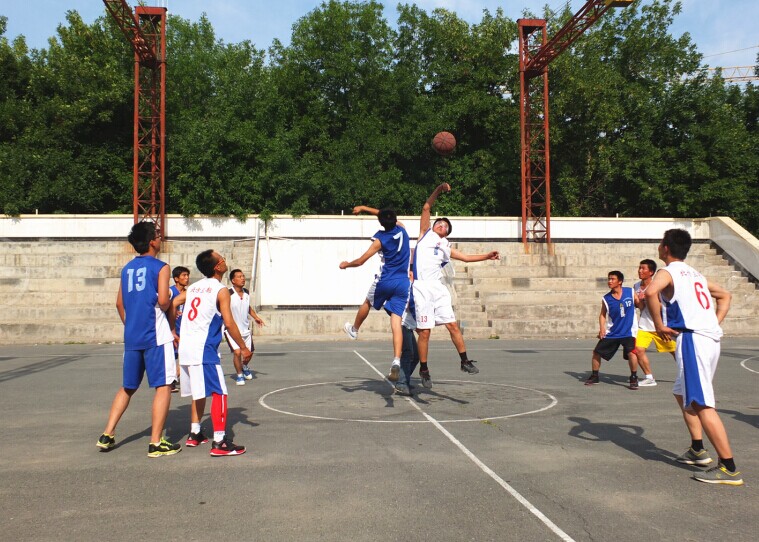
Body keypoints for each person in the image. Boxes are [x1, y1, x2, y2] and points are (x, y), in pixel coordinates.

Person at [645, 228, 743, 485]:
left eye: (661, 242)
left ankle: (728, 467)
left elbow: (650, 292)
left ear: (666, 248)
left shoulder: (668, 272)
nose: (659, 246)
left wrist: (659, 324)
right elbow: (725, 295)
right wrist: (712, 323)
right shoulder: (695, 274)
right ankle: (697, 448)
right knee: (681, 391)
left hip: (693, 340)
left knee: (701, 402)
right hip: (707, 339)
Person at [96, 221, 181, 458]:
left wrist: (131, 324)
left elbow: (119, 303)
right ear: (152, 241)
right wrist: (170, 303)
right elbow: (163, 301)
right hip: (156, 335)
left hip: (132, 336)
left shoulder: (127, 269)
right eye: (157, 235)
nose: (160, 237)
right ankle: (156, 442)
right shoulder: (161, 267)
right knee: (164, 386)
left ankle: (107, 433)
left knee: (128, 386)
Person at [412, 183, 500, 389]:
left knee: (452, 325)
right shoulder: (425, 233)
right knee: (425, 332)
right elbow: (426, 207)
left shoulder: (446, 246)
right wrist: (438, 189)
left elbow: (466, 258)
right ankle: (424, 369)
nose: (441, 225)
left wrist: (487, 256)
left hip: (438, 288)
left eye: (445, 225)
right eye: (439, 223)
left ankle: (464, 361)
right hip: (422, 288)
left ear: (447, 232)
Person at [173, 250, 252, 457]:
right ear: (217, 267)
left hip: (187, 347)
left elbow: (172, 303)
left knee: (198, 392)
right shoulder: (220, 290)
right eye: (222, 259)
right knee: (220, 392)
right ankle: (219, 442)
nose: (225, 260)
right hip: (203, 348)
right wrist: (243, 347)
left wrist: (172, 329)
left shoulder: (194, 287)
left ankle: (195, 432)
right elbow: (229, 323)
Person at [340, 207, 411, 382]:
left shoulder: (380, 239)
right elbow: (383, 214)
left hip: (385, 281)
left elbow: (361, 261)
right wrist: (365, 208)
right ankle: (396, 359)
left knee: (367, 302)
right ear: (395, 219)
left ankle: (354, 330)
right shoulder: (402, 229)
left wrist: (346, 264)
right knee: (396, 322)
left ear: (381, 223)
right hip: (403, 283)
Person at [584, 271, 640, 390]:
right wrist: (602, 329)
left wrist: (643, 300)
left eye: (612, 279)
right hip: (613, 332)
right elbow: (602, 314)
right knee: (596, 353)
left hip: (629, 332)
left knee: (632, 352)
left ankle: (633, 377)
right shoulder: (606, 298)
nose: (609, 281)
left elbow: (639, 304)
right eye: (609, 279)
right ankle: (595, 375)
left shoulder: (630, 292)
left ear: (620, 281)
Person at [633, 259, 675, 387]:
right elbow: (640, 307)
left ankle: (687, 374)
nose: (640, 271)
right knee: (638, 350)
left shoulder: (658, 286)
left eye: (643, 268)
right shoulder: (636, 286)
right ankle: (649, 377)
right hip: (644, 325)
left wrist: (650, 299)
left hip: (661, 326)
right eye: (639, 268)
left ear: (651, 272)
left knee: (676, 352)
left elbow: (665, 306)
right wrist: (640, 301)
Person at [224, 268, 266, 385]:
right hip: (232, 330)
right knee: (237, 352)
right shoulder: (228, 294)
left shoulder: (246, 292)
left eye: (243, 276)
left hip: (245, 329)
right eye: (239, 277)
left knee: (250, 352)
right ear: (233, 280)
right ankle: (239, 375)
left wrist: (256, 317)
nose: (243, 278)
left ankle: (244, 366)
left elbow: (247, 307)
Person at [169, 266, 190, 392]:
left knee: (185, 357)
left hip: (184, 330)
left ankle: (172, 379)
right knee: (171, 358)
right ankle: (169, 381)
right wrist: (171, 310)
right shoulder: (170, 292)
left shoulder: (188, 293)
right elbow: (161, 305)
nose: (187, 278)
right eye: (184, 275)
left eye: (187, 275)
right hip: (171, 330)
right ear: (176, 278)